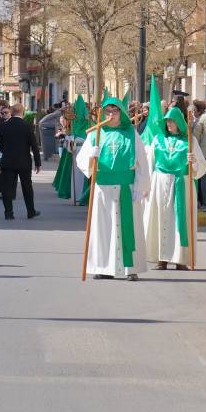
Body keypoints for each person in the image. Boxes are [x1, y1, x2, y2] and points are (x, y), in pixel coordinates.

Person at [76, 96, 150, 280]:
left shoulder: (131, 134)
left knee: (129, 228)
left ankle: (130, 268)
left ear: (121, 113)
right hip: (103, 188)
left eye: (114, 111)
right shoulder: (95, 133)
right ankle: (104, 267)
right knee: (103, 228)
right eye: (107, 111)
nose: (111, 114)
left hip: (126, 186)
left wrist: (140, 186)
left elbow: (142, 161)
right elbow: (81, 160)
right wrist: (91, 156)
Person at [144, 106, 206, 270]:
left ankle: (180, 259)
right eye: (167, 121)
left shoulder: (190, 141)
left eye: (172, 121)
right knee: (160, 218)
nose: (169, 124)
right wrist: (145, 185)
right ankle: (161, 258)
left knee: (180, 220)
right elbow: (149, 162)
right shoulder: (158, 139)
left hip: (182, 183)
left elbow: (202, 166)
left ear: (179, 122)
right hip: (160, 182)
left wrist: (194, 161)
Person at [0, 104, 42, 220]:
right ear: (23, 112)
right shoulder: (27, 126)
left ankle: (8, 213)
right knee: (27, 187)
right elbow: (34, 146)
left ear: (11, 112)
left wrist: (6, 151)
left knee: (7, 187)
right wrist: (37, 162)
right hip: (24, 161)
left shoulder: (4, 126)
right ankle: (31, 211)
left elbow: (0, 143)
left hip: (8, 161)